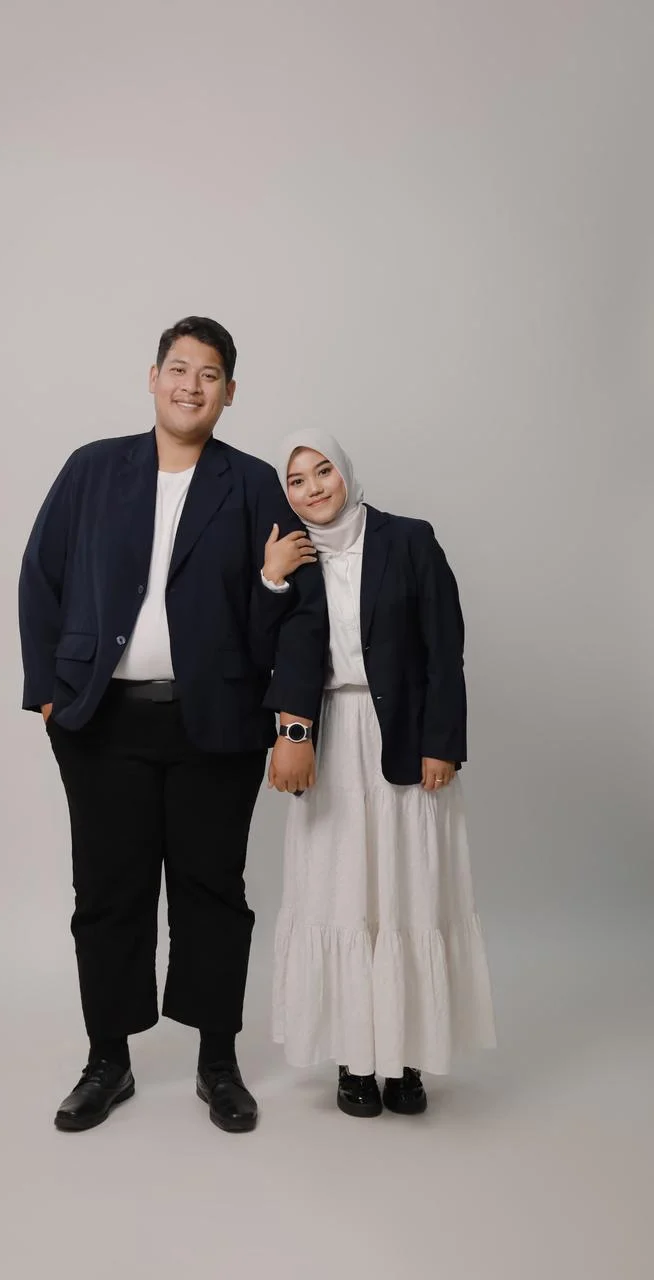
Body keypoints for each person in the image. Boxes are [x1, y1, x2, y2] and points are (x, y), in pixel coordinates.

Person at [18, 319, 326, 1134]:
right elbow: (40, 577)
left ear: (230, 392)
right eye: (179, 369)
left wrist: (293, 720)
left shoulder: (253, 484)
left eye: (210, 374)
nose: (192, 385)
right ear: (152, 377)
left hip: (216, 722)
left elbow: (299, 612)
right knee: (106, 893)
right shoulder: (92, 469)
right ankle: (107, 1061)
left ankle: (217, 1062)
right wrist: (48, 695)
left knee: (212, 892)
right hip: (99, 721)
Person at [263, 431, 495, 1118]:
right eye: (296, 480)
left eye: (322, 471)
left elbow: (445, 648)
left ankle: (408, 1058)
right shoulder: (292, 557)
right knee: (342, 894)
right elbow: (258, 647)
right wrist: (271, 579)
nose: (313, 488)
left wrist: (441, 742)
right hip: (330, 739)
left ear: (345, 472)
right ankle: (355, 1060)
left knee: (408, 890)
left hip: (405, 737)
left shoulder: (409, 540)